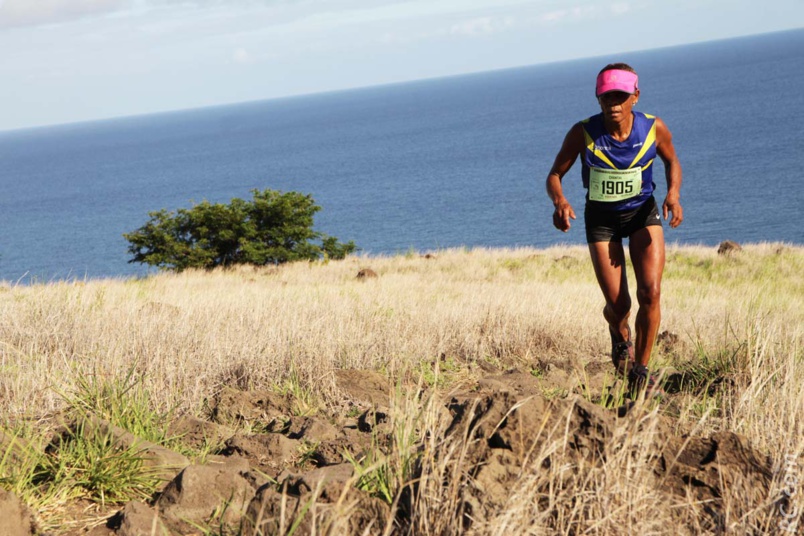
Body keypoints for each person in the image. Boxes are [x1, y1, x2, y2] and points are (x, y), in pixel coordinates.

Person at [545, 63, 683, 398]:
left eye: (621, 96)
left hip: (642, 214)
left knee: (650, 292)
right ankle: (619, 336)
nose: (614, 104)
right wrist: (560, 201)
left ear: (635, 95)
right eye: (607, 97)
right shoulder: (583, 132)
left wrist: (673, 194)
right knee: (619, 306)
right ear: (598, 98)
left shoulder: (653, 128)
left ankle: (641, 372)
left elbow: (672, 161)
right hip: (601, 221)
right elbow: (554, 175)